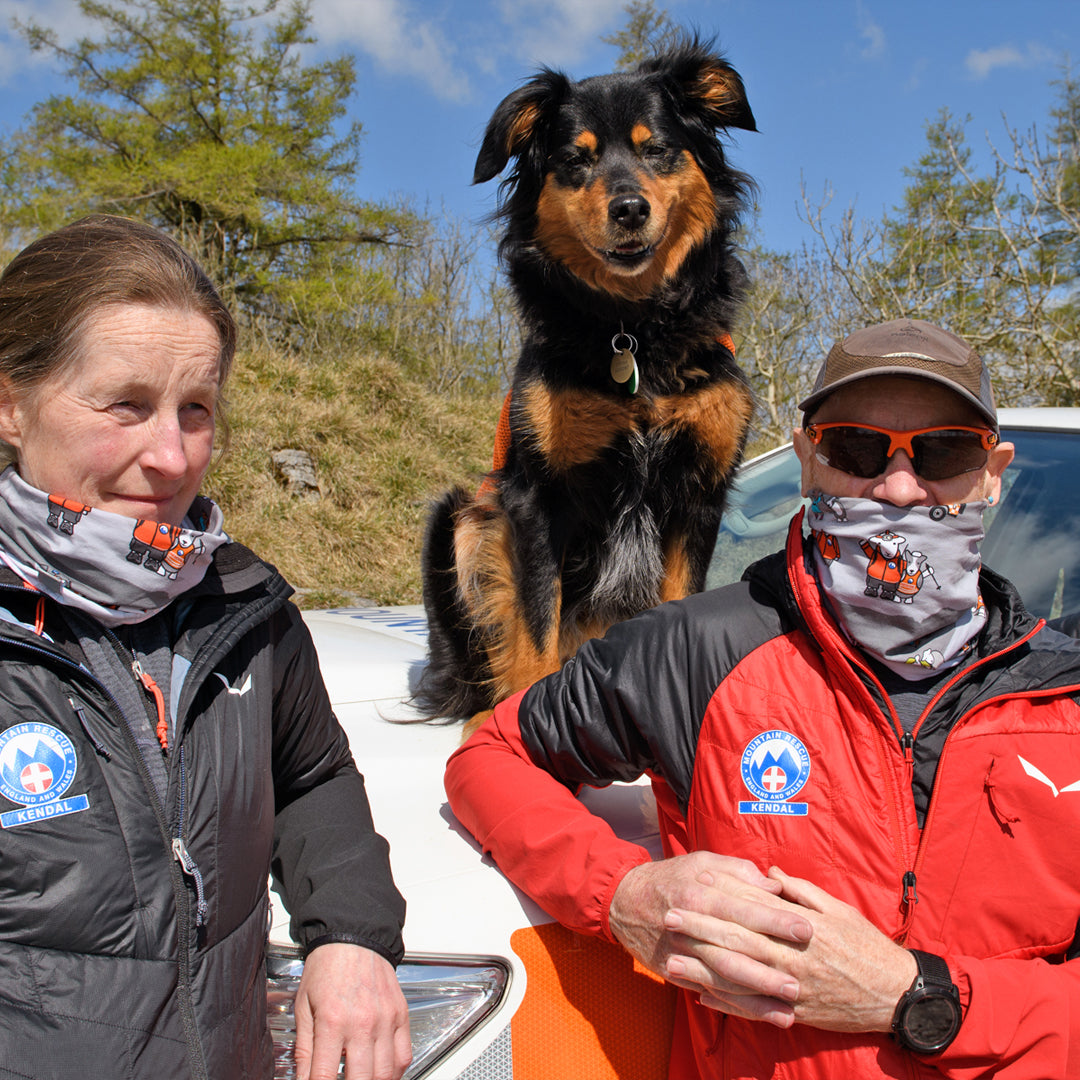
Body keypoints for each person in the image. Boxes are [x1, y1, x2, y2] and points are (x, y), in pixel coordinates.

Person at [445, 318, 1080, 1079]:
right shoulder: (693, 652)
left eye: (943, 450)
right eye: (858, 448)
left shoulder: (1066, 693)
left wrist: (918, 1001)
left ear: (992, 472)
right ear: (809, 459)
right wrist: (623, 893)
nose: (900, 486)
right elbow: (493, 756)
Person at [0, 215, 411, 1080]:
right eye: (127, 405)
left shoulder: (242, 601)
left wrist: (352, 935)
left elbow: (312, 777)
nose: (172, 456)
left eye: (197, 410)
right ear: (11, 402)